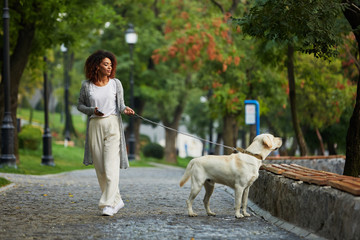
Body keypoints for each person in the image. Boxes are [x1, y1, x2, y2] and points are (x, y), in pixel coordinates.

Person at [77, 50, 135, 216]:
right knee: (101, 168)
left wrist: (126, 109)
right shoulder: (86, 85)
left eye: (111, 65)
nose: (109, 67)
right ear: (97, 66)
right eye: (105, 64)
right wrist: (91, 110)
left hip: (112, 125)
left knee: (110, 167)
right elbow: (80, 105)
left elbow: (121, 105)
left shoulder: (115, 83)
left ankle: (107, 204)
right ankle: (117, 201)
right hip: (95, 124)